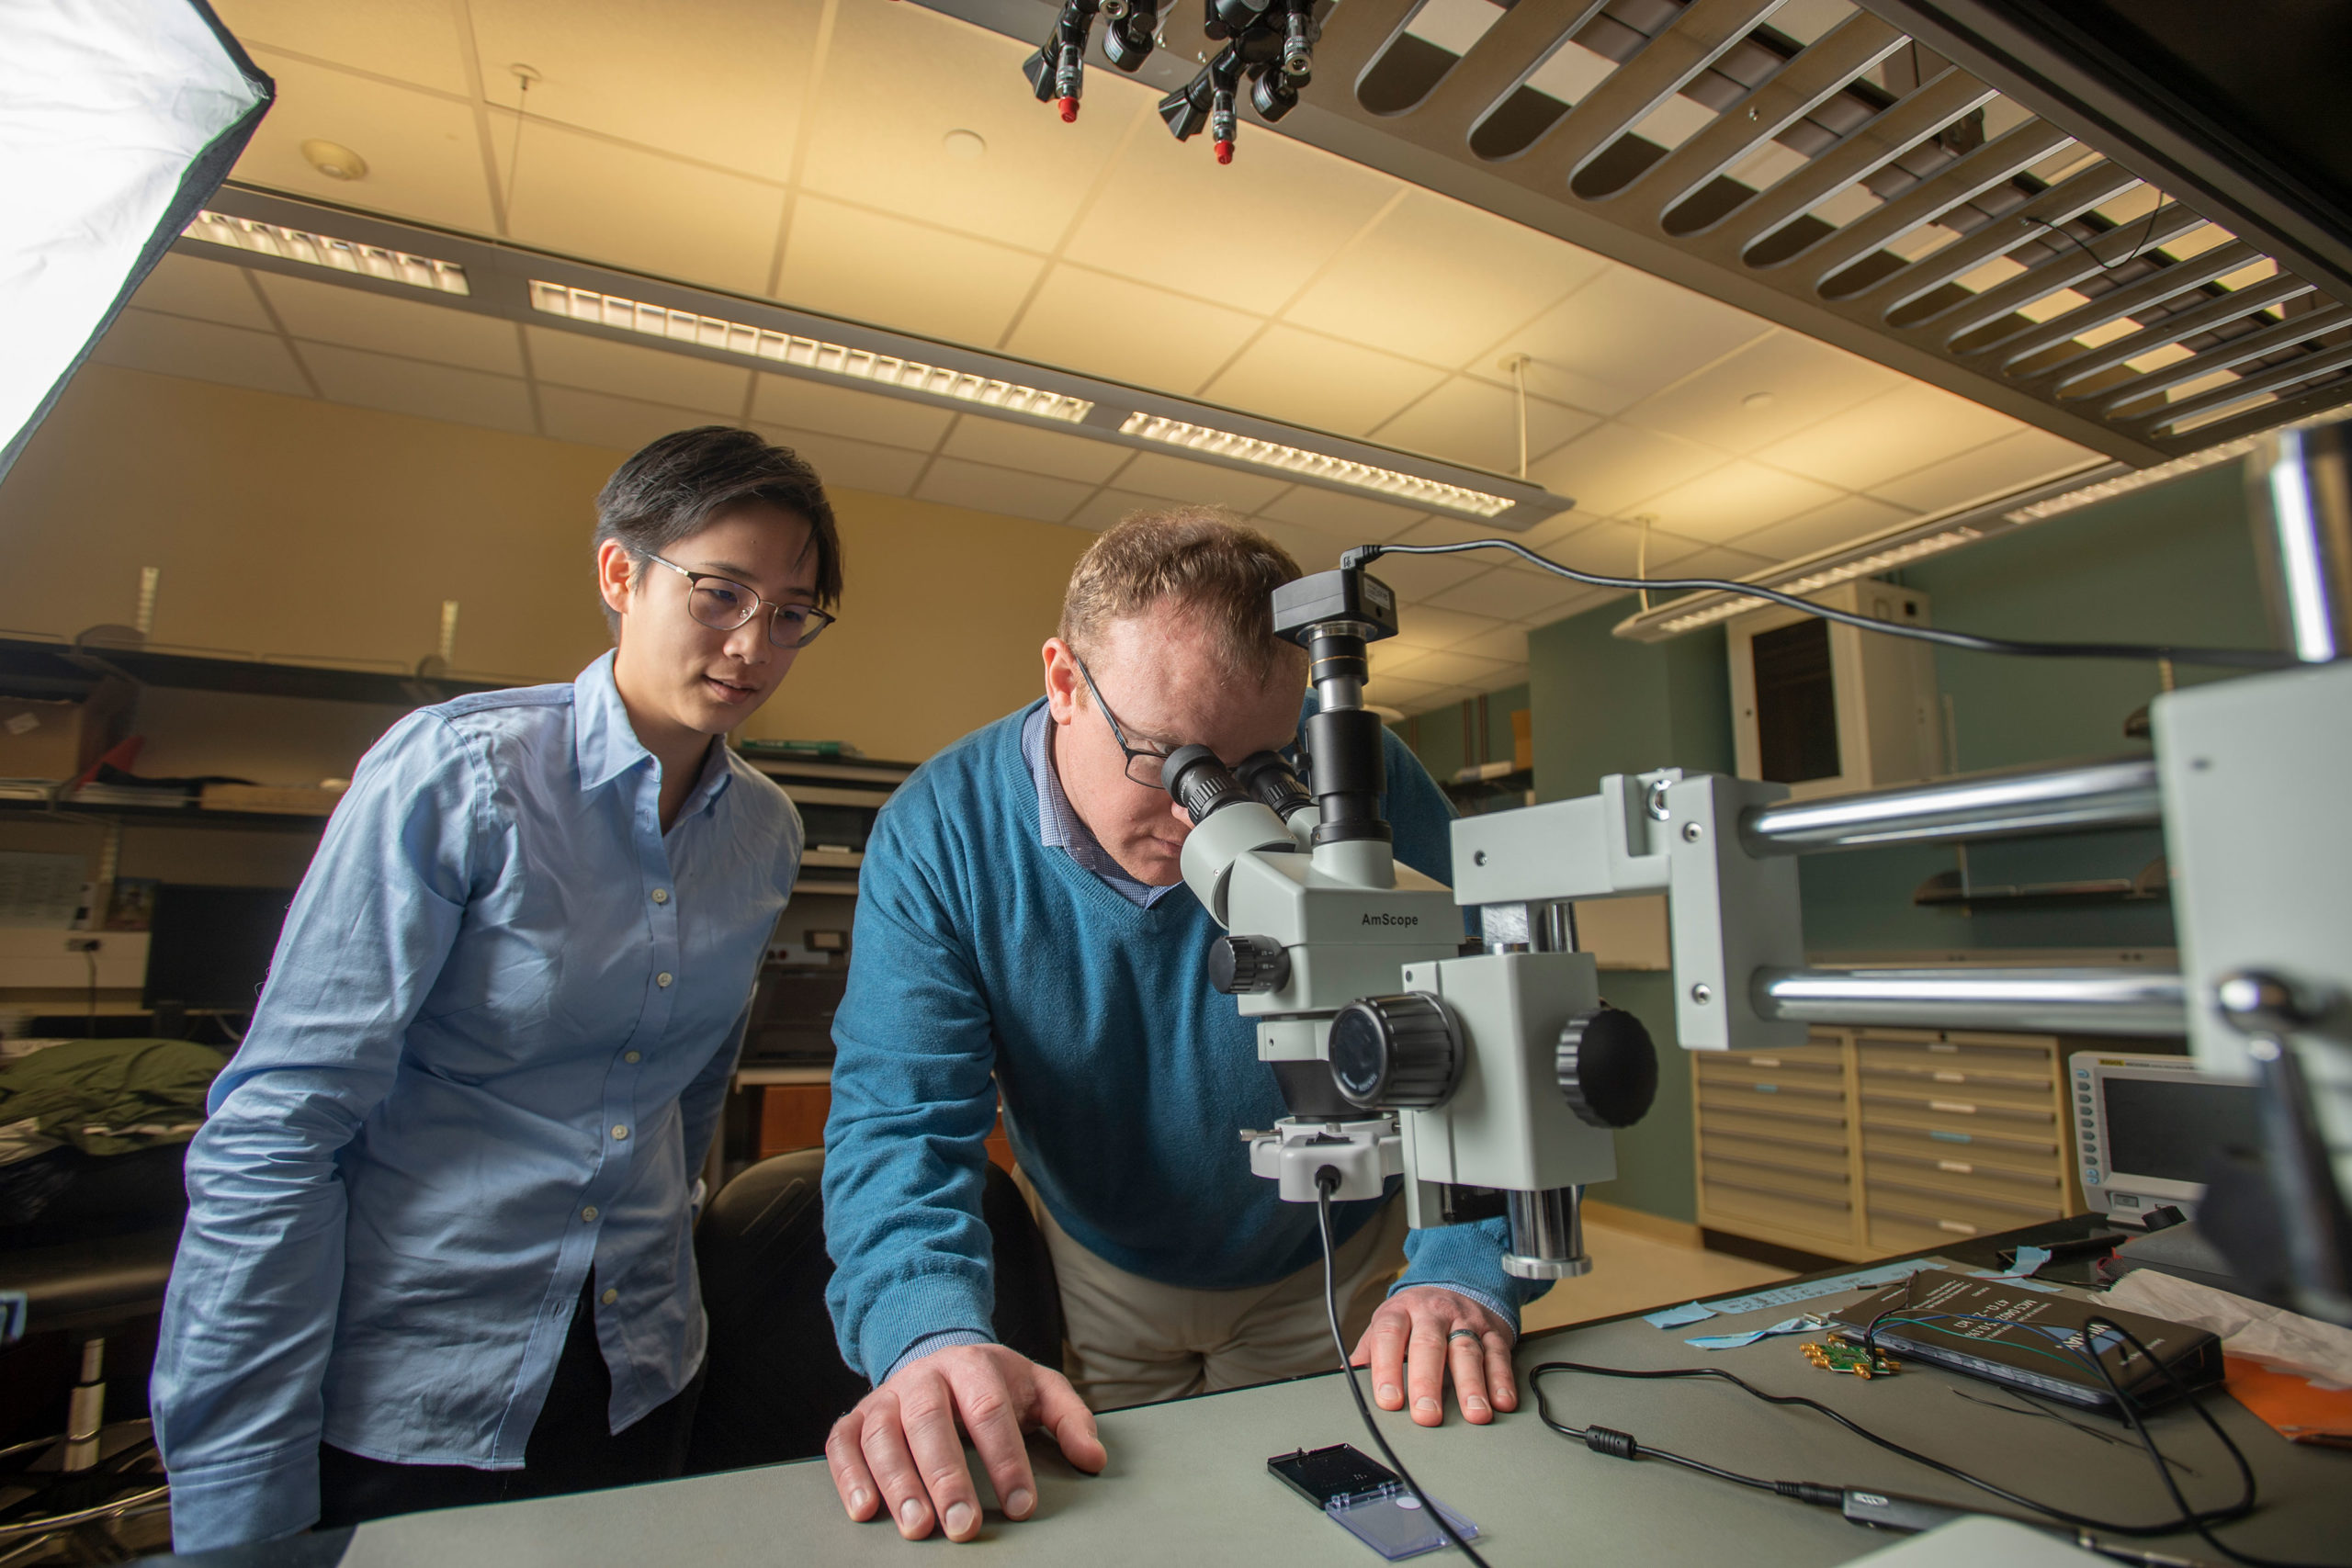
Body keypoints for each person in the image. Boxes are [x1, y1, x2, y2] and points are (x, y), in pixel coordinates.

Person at [151, 426, 841, 1551]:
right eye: (720, 593)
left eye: (794, 612)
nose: (754, 643)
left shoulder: (765, 831)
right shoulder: (459, 774)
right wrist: (237, 1486)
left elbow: (685, 1103)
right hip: (417, 1385)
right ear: (620, 574)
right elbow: (279, 1130)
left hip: (638, 1375)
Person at [820, 508, 1547, 1544]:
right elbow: (899, 1127)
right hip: (1108, 1267)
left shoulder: (1366, 778)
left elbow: (1487, 1037)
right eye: (1171, 762)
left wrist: (1460, 1268)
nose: (1212, 818)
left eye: (1263, 773)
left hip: (1338, 1262)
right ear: (1064, 682)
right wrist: (924, 1333)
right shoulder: (940, 833)